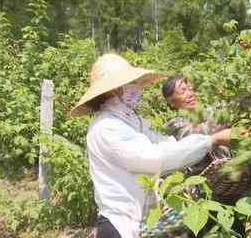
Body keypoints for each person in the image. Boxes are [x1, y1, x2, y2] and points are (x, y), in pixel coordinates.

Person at [70, 54, 233, 238]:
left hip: (138, 221)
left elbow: (165, 144)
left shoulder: (130, 121)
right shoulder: (107, 126)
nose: (136, 88)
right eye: (128, 84)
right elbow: (155, 157)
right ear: (112, 91)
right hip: (119, 226)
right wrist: (211, 140)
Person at [161, 74, 251, 237]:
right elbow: (196, 135)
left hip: (232, 184)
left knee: (235, 227)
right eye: (182, 90)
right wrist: (228, 114)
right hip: (206, 191)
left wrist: (250, 96)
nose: (189, 93)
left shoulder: (210, 111)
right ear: (171, 101)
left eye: (190, 89)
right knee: (210, 229)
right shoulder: (175, 125)